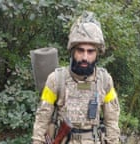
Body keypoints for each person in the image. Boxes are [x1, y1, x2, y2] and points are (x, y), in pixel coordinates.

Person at [32, 12, 120, 144]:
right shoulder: (56, 79)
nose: (85, 57)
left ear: (97, 54)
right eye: (80, 50)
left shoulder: (105, 81)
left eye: (90, 51)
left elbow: (112, 121)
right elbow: (42, 119)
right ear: (73, 51)